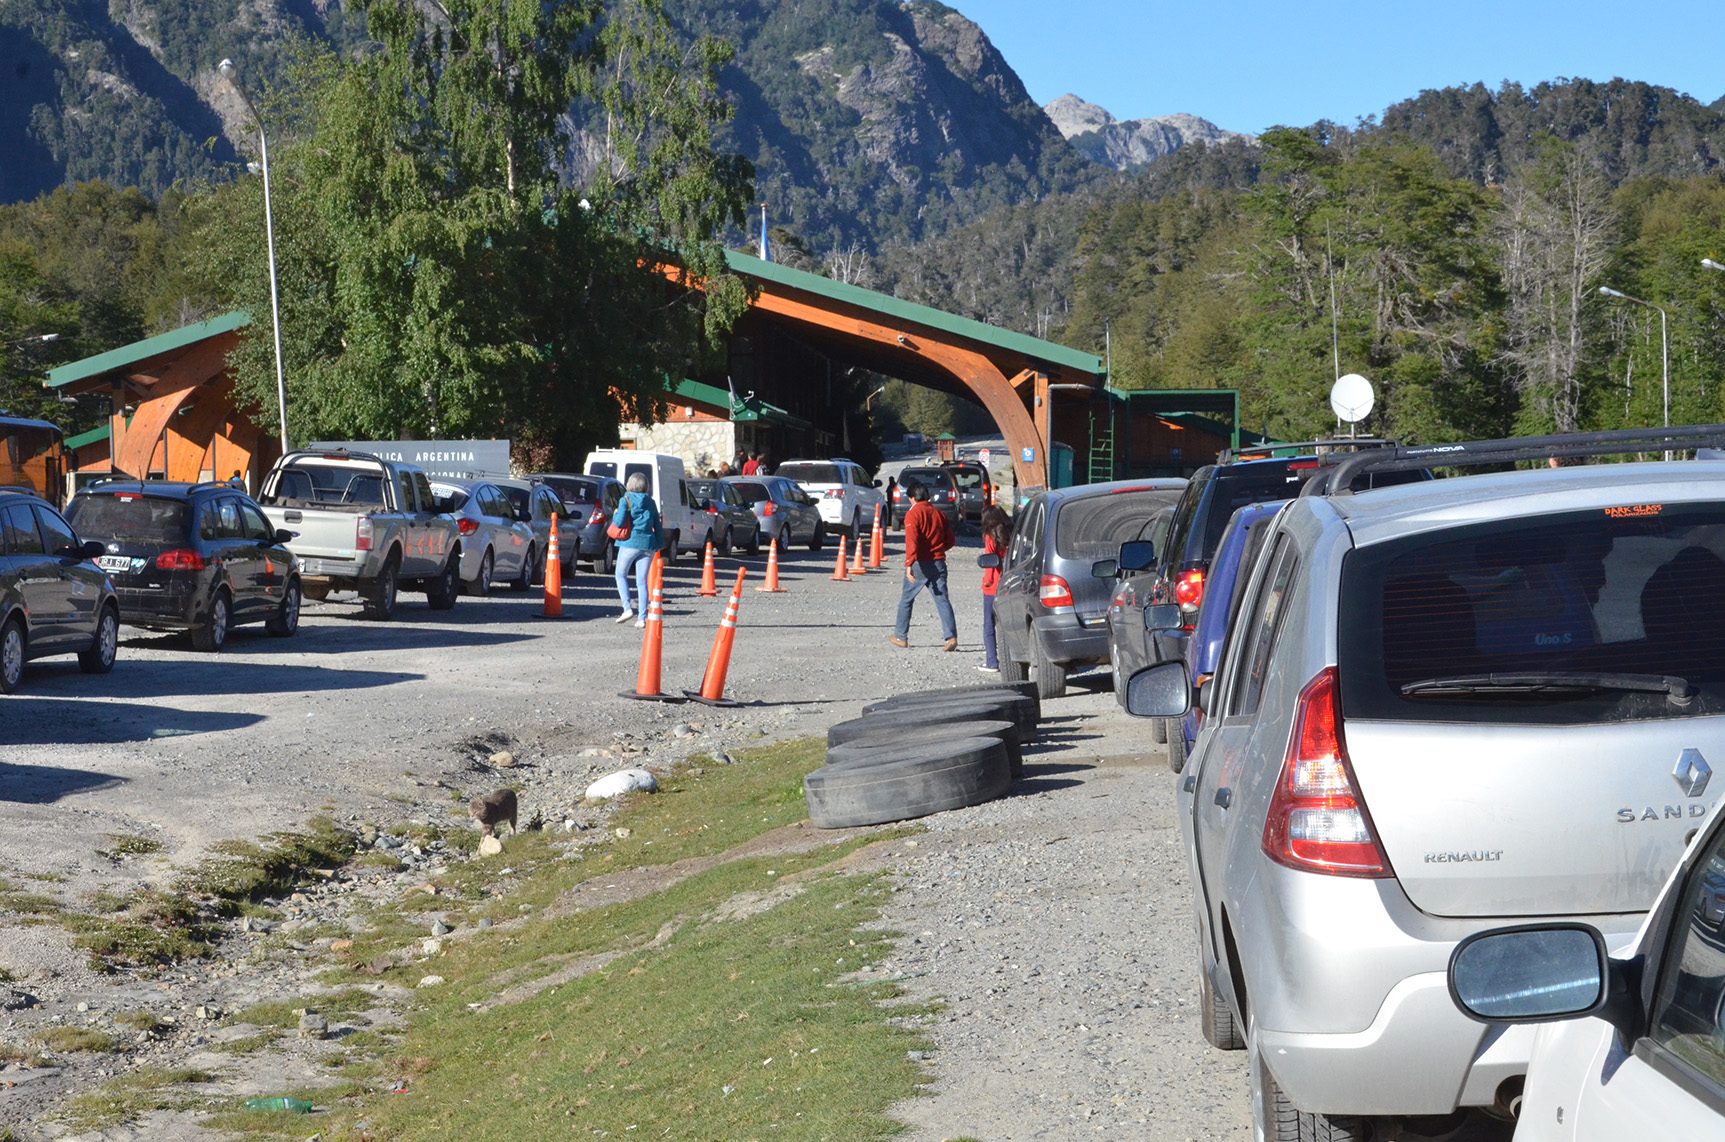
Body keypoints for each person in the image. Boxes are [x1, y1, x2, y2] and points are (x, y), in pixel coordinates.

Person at [892, 483, 957, 651]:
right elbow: (950, 540)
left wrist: (909, 563)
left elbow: (912, 541)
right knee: (942, 600)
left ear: (913, 498)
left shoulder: (913, 514)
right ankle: (951, 637)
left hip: (920, 563)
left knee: (907, 599)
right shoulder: (938, 513)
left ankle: (900, 636)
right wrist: (939, 550)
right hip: (938, 562)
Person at [611, 473, 663, 628]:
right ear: (645, 485)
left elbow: (619, 522)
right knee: (642, 582)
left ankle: (627, 608)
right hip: (648, 544)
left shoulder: (625, 500)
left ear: (630, 484)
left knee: (620, 575)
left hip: (630, 543)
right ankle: (642, 618)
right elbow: (657, 524)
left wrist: (615, 514)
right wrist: (659, 544)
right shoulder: (651, 502)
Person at [978, 505, 1012, 672]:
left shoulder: (990, 537)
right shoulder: (1012, 534)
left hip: (993, 586)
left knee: (989, 624)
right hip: (1010, 584)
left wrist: (987, 581)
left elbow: (989, 560)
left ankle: (992, 661)